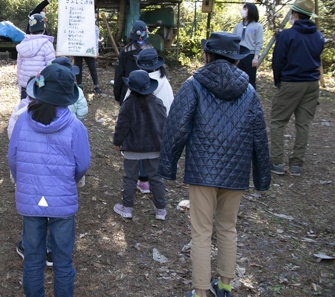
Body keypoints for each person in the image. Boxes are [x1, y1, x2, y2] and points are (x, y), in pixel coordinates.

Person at [158, 32, 271, 297]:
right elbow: (260, 137)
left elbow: (176, 129)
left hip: (202, 170)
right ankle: (225, 286)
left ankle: (199, 292)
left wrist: (167, 166)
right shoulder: (249, 91)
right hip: (237, 171)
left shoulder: (193, 85)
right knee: (228, 228)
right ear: (237, 60)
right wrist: (262, 176)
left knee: (201, 232)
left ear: (207, 55)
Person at [8, 63, 91, 297]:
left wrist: (21, 180)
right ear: (67, 96)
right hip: (62, 201)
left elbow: (12, 158)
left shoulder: (23, 120)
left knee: (33, 258)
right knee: (63, 261)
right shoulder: (75, 126)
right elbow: (82, 165)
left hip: (31, 198)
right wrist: (68, 181)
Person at [270, 0, 325, 177]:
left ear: (294, 14)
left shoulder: (287, 35)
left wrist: (279, 81)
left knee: (278, 121)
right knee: (303, 124)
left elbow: (278, 60)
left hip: (292, 82)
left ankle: (277, 162)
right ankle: (296, 165)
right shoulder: (318, 36)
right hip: (311, 84)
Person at [112, 70, 167, 221]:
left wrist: (117, 141)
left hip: (132, 148)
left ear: (131, 87)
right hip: (154, 147)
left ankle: (127, 208)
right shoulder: (157, 103)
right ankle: (161, 210)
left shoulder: (128, 104)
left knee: (130, 178)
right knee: (156, 178)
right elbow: (164, 125)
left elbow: (121, 126)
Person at [126, 48, 174, 194]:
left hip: (138, 127)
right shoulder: (164, 81)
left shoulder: (137, 82)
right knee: (153, 156)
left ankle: (142, 179)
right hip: (159, 127)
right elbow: (170, 104)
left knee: (139, 151)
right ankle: (150, 182)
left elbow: (126, 106)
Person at [16, 13, 56, 99]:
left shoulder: (23, 45)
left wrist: (20, 86)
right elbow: (51, 67)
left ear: (30, 30)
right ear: (43, 28)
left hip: (25, 85)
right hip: (40, 85)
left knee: (25, 110)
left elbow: (19, 68)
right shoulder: (47, 44)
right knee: (39, 111)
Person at [113, 20, 154, 103]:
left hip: (127, 93)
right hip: (147, 94)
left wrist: (117, 95)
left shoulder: (125, 52)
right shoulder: (152, 52)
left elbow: (119, 74)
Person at [232, 2, 264, 89]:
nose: (243, 11)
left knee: (250, 79)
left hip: (250, 55)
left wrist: (256, 57)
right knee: (237, 78)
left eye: (245, 9)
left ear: (251, 11)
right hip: (238, 55)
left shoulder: (258, 26)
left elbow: (259, 42)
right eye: (243, 9)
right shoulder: (237, 26)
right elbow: (233, 41)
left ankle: (251, 97)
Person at [73, 22, 102, 95]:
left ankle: (96, 86)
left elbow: (96, 40)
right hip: (78, 48)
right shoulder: (77, 24)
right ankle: (79, 85)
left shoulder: (94, 27)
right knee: (78, 67)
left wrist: (96, 50)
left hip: (89, 49)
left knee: (92, 67)